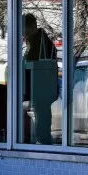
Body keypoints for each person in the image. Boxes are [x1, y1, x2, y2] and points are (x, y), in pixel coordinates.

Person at [23, 13, 59, 145]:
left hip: (41, 88)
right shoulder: (38, 40)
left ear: (32, 27)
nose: (23, 34)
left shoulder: (39, 42)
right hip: (41, 88)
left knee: (42, 115)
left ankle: (43, 140)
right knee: (41, 114)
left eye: (25, 31)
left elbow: (32, 62)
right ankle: (43, 139)